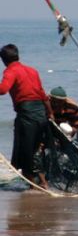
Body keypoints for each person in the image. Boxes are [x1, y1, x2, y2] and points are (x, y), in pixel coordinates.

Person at [0, 44, 53, 189]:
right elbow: (43, 94)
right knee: (35, 150)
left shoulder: (10, 71)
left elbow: (3, 89)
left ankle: (36, 186)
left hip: (27, 115)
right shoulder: (32, 70)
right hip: (41, 113)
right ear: (17, 56)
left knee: (25, 152)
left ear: (3, 60)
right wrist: (50, 113)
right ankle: (41, 183)